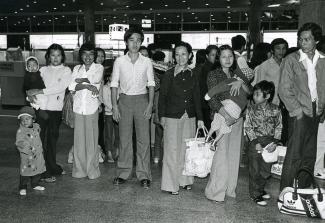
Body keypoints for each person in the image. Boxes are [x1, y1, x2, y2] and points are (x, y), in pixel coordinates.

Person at [278, 22, 325, 190]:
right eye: (300, 39)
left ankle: (304, 189)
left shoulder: (323, 60)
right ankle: (286, 191)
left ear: (316, 41)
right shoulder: (292, 59)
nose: (302, 42)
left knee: (310, 154)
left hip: (316, 111)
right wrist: (297, 111)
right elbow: (284, 89)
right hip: (298, 110)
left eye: (307, 39)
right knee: (294, 154)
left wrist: (322, 108)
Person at [205, 45, 250, 203]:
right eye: (224, 56)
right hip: (222, 117)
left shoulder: (238, 73)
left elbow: (249, 92)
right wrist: (227, 116)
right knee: (221, 156)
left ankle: (230, 189)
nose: (228, 59)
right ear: (219, 58)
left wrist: (240, 83)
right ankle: (215, 191)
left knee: (234, 155)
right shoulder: (213, 74)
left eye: (230, 56)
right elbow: (212, 99)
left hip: (238, 118)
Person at [111, 28, 155, 189]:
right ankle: (123, 172)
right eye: (131, 40)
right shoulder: (119, 61)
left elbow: (151, 84)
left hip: (142, 100)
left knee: (144, 139)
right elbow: (114, 84)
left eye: (138, 40)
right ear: (126, 42)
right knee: (124, 139)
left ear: (141, 42)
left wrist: (150, 105)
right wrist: (114, 106)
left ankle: (144, 175)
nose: (135, 43)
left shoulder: (146, 61)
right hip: (124, 101)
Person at [159, 41, 204, 195]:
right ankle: (170, 184)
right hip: (172, 116)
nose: (180, 57)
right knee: (172, 150)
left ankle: (184, 181)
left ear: (190, 55)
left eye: (183, 54)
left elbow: (197, 97)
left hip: (189, 116)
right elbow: (162, 98)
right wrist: (162, 116)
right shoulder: (168, 74)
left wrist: (200, 118)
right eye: (177, 54)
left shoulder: (193, 74)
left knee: (186, 150)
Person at [26, 43, 71, 183]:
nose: (55, 58)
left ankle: (52, 166)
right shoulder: (43, 70)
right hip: (41, 110)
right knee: (40, 140)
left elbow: (59, 87)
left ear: (62, 56)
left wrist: (39, 91)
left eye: (58, 55)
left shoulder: (66, 71)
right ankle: (43, 170)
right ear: (48, 56)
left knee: (52, 140)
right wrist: (29, 94)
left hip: (55, 111)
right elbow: (31, 83)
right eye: (52, 55)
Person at [69, 43, 103, 179]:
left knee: (92, 142)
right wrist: (88, 85)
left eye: (91, 54)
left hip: (92, 108)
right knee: (78, 142)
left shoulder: (99, 67)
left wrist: (81, 82)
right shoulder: (77, 68)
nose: (88, 57)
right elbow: (71, 86)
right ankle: (79, 171)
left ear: (94, 56)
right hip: (78, 108)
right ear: (80, 55)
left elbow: (96, 80)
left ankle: (92, 171)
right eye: (85, 54)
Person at [244, 81, 282, 206]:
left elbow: (279, 127)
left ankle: (260, 189)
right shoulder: (250, 109)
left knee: (266, 170)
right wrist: (255, 142)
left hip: (270, 142)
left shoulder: (276, 109)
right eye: (254, 94)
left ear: (267, 96)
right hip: (255, 143)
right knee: (255, 169)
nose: (254, 96)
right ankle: (255, 194)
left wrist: (275, 142)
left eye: (257, 94)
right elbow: (248, 127)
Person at [205, 68, 251, 143]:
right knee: (225, 126)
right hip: (238, 110)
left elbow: (221, 87)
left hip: (229, 104)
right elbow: (249, 95)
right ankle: (215, 142)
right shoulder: (247, 89)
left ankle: (208, 136)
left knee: (218, 119)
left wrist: (209, 94)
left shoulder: (234, 80)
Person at [15, 106, 46, 196]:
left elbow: (38, 131)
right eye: (22, 119)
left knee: (38, 171)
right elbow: (19, 142)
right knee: (26, 172)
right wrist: (24, 146)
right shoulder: (21, 131)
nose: (24, 121)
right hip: (28, 157)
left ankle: (35, 184)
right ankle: (23, 186)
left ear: (33, 119)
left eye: (27, 119)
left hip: (38, 155)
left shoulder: (36, 127)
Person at [252, 39, 288, 106]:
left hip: (287, 102)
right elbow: (260, 88)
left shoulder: (288, 64)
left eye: (284, 48)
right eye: (278, 48)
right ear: (272, 50)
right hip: (271, 102)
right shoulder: (264, 66)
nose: (281, 51)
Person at [197, 45, 219, 130]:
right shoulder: (208, 69)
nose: (215, 57)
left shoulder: (211, 67)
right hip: (208, 105)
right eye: (213, 55)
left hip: (206, 104)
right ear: (207, 56)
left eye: (217, 55)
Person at [101, 65, 119, 163]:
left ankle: (117, 151)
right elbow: (105, 101)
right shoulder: (105, 88)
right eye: (113, 76)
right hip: (109, 114)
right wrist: (113, 108)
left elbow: (120, 99)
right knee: (108, 134)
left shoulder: (119, 87)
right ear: (108, 77)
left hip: (118, 114)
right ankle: (109, 153)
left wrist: (118, 109)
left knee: (118, 134)